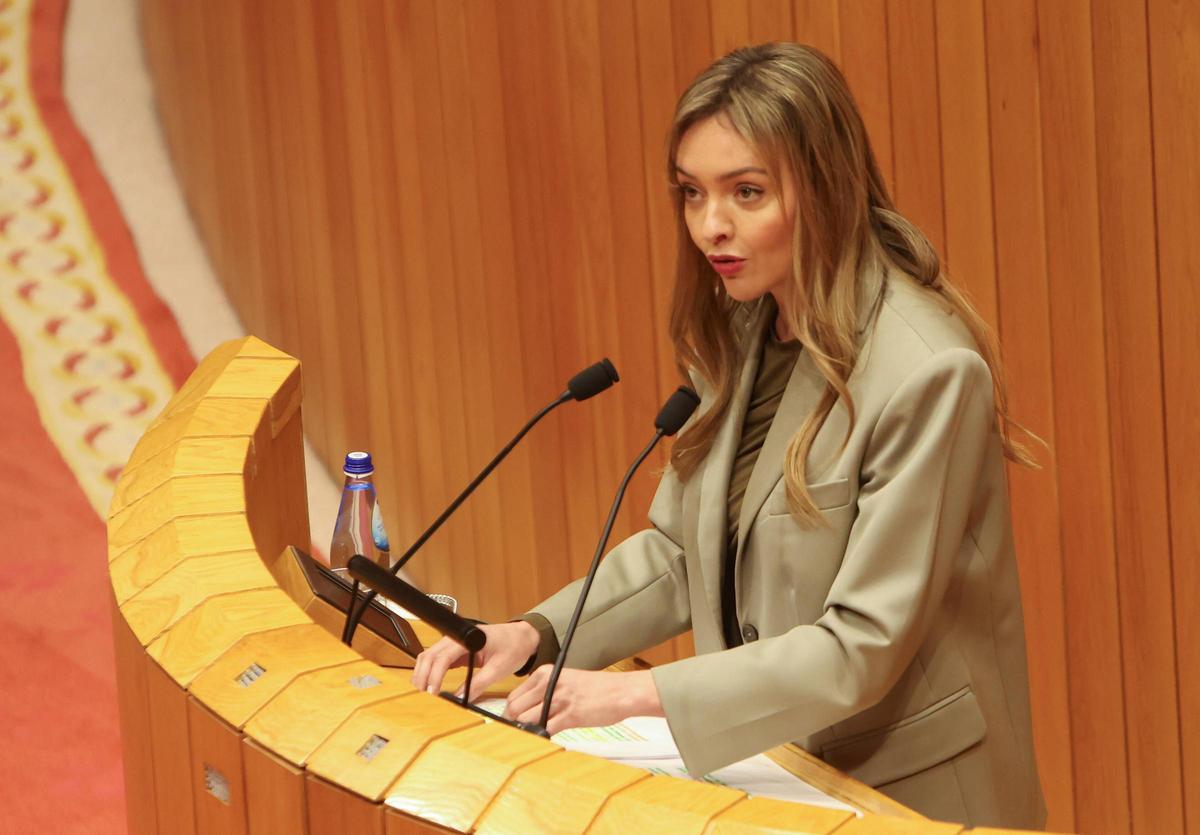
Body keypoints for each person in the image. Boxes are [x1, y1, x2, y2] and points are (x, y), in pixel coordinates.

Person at [412, 42, 1045, 829]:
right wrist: (537, 634)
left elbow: (860, 646)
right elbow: (681, 554)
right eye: (692, 193)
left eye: (747, 192)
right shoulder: (749, 326)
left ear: (823, 189)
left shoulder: (928, 371)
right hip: (782, 771)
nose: (712, 226)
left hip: (906, 795)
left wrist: (637, 691)